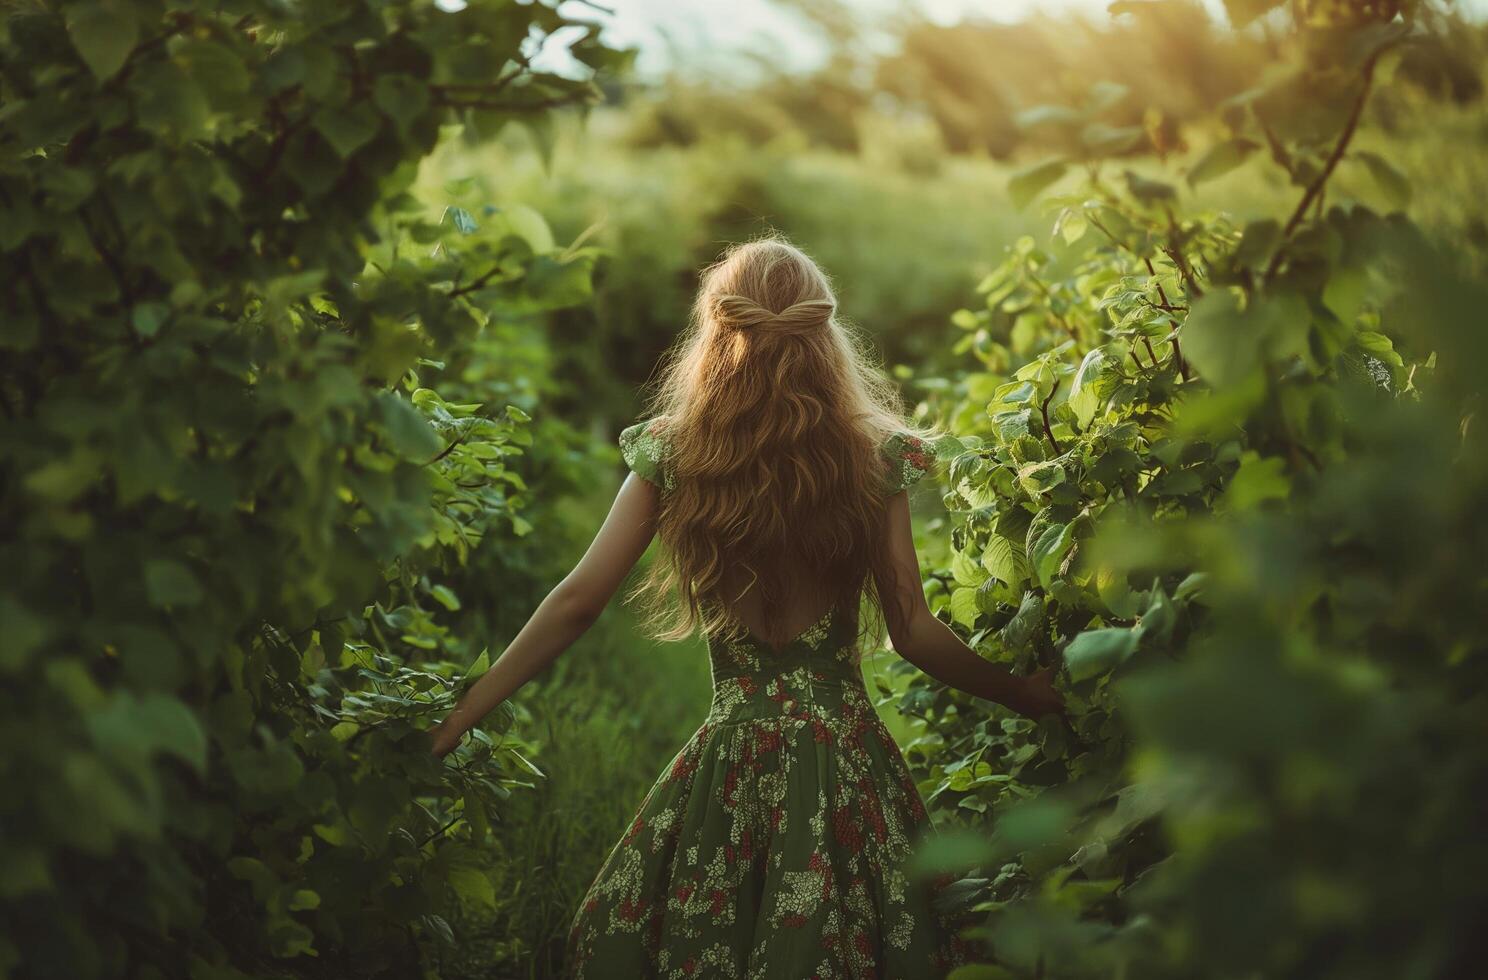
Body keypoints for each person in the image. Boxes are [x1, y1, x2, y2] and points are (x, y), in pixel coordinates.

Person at [429, 237, 1066, 978]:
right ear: (824, 339)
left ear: (717, 332)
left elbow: (576, 603)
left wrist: (460, 716)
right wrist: (1026, 694)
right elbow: (913, 631)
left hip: (728, 762)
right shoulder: (873, 458)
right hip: (845, 760)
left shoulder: (675, 456)